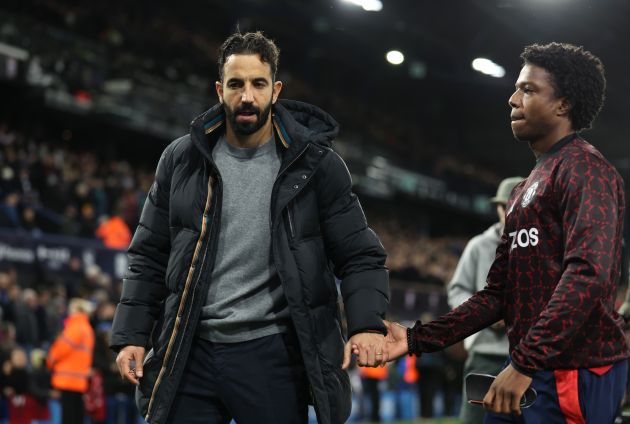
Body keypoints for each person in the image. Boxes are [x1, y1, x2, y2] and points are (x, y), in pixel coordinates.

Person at [110, 31, 389, 424]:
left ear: (275, 90)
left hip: (273, 357)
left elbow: (360, 255)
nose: (247, 96)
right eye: (236, 84)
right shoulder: (181, 159)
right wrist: (131, 335)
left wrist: (366, 325)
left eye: (258, 84)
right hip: (189, 351)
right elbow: (149, 254)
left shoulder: (316, 165)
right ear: (219, 89)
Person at [382, 42, 629, 423]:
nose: (513, 99)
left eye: (528, 90)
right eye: (517, 88)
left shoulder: (586, 169)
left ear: (563, 104)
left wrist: (526, 363)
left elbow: (587, 275)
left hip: (574, 369)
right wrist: (417, 339)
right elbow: (498, 294)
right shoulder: (522, 189)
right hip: (528, 365)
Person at [447, 176, 523, 424]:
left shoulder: (544, 247)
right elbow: (456, 290)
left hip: (528, 357)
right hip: (486, 355)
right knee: (474, 421)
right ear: (499, 209)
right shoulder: (479, 246)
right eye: (507, 206)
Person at [47, 297, 95, 424]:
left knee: (68, 417)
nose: (69, 311)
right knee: (77, 415)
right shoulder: (87, 329)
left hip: (67, 378)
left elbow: (60, 349)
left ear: (78, 310)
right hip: (78, 379)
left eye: (71, 308)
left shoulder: (75, 326)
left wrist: (49, 360)